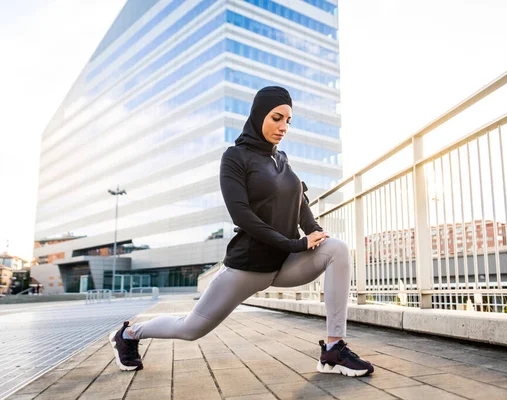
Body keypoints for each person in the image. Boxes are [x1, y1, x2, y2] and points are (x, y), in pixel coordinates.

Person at [109, 86, 374, 377]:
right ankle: (130, 334)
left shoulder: (283, 160)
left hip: (284, 265)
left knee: (336, 248)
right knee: (190, 328)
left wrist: (315, 232)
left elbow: (300, 204)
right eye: (277, 118)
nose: (283, 127)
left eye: (288, 120)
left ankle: (333, 350)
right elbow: (242, 216)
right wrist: (296, 244)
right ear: (259, 115)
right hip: (248, 267)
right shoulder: (235, 157)